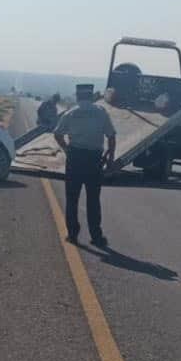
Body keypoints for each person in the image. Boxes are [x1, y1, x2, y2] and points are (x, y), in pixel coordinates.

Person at [53, 84, 116, 247]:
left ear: (78, 96)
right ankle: (96, 236)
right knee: (93, 199)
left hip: (75, 158)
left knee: (72, 198)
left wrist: (67, 150)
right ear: (92, 96)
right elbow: (111, 136)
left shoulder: (71, 113)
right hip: (94, 160)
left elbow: (57, 133)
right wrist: (110, 159)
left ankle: (73, 234)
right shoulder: (101, 113)